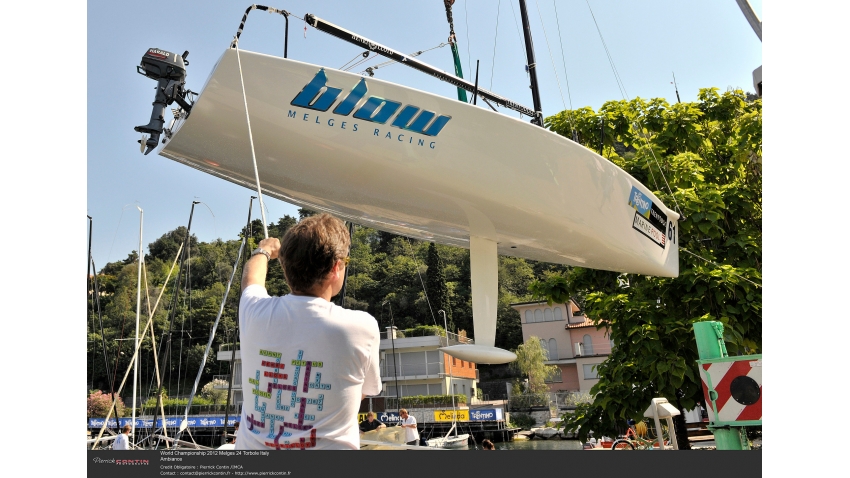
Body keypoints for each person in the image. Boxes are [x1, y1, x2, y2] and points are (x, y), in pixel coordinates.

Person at [236, 214, 382, 450]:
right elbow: (365, 390)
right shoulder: (361, 327)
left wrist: (263, 250)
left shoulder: (254, 312)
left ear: (285, 267)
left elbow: (251, 280)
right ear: (336, 267)